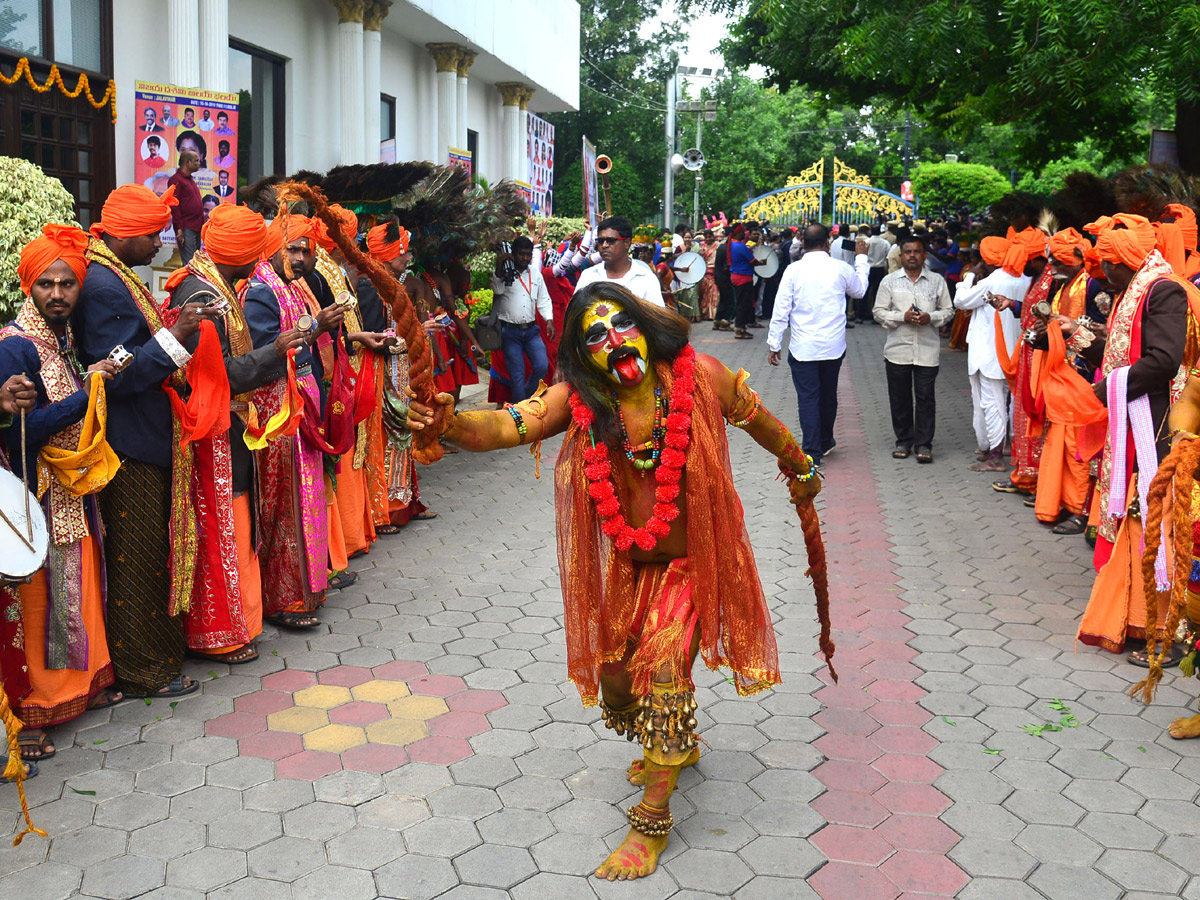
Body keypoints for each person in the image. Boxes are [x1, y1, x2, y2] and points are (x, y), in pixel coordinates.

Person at [407, 281, 821, 881]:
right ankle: (673, 737)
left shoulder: (699, 375)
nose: (614, 340)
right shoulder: (580, 399)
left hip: (690, 561)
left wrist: (801, 466)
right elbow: (505, 427)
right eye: (595, 335)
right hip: (630, 568)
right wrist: (450, 423)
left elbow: (763, 422)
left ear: (645, 327)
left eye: (622, 324)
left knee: (663, 670)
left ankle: (651, 821)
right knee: (618, 684)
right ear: (584, 352)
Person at [77, 184, 212, 698]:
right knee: (138, 559)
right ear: (126, 233)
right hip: (129, 446)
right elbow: (122, 373)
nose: (161, 242)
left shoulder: (115, 274)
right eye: (153, 233)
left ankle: (153, 659)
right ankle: (142, 670)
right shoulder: (105, 287)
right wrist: (178, 335)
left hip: (143, 437)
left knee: (150, 553)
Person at [0, 225, 122, 763]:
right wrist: (90, 386)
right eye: (46, 283)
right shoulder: (15, 349)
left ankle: (79, 688)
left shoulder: (61, 337)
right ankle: (30, 711)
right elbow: (19, 432)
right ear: (29, 286)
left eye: (67, 283)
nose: (57, 293)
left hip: (70, 486)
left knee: (77, 588)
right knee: (37, 601)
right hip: (33, 495)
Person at [164, 205, 304, 663]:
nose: (262, 257)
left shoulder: (216, 283)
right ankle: (218, 634)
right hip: (211, 432)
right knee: (222, 526)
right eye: (257, 249)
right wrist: (274, 352)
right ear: (242, 253)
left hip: (229, 426)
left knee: (238, 523)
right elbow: (214, 374)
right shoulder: (200, 292)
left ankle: (239, 622)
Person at [1073, 214, 1197, 655]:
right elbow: (1135, 347)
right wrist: (1096, 344)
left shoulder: (1163, 289)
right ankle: (1136, 619)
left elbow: (1163, 360)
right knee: (1134, 516)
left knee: (1156, 520)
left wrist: (1109, 386)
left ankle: (1168, 630)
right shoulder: (1137, 286)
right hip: (1137, 419)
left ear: (1127, 259)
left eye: (1108, 264)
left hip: (1159, 426)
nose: (1104, 274)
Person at [243, 215, 346, 628]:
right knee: (286, 506)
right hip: (280, 415)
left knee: (307, 500)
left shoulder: (289, 286)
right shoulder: (262, 292)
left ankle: (308, 587)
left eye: (307, 250)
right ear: (273, 246)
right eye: (293, 249)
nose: (301, 258)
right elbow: (267, 353)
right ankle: (284, 600)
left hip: (303, 404)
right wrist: (318, 326)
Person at [768, 223, 869, 469]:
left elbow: (781, 307)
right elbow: (860, 292)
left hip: (803, 347)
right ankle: (824, 440)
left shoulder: (793, 270)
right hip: (833, 346)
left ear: (804, 243)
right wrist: (862, 259)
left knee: (808, 398)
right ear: (827, 243)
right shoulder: (841, 268)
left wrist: (774, 342)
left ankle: (812, 450)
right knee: (827, 394)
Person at [365, 220, 433, 529]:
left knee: (403, 433)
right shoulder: (372, 287)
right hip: (385, 371)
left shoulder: (388, 281)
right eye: (403, 252)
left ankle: (404, 502)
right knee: (393, 433)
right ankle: (388, 509)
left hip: (400, 368)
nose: (408, 259)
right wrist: (418, 333)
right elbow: (378, 337)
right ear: (391, 254)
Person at [1029, 228, 1093, 533]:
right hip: (1060, 377)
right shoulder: (1063, 285)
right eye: (1050, 259)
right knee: (1060, 444)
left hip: (1080, 379)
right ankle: (1058, 503)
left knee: (1077, 448)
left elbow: (1098, 331)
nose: (1051, 266)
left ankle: (1080, 509)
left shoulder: (1091, 286)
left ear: (1077, 259)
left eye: (1058, 259)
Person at [952, 232, 1033, 472]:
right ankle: (1004, 446)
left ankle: (995, 456)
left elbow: (961, 300)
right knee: (1010, 403)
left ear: (987, 259)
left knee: (991, 403)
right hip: (1015, 350)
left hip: (990, 353)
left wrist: (967, 278)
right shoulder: (1026, 279)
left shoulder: (993, 280)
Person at [873, 235, 954, 463]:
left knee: (925, 397)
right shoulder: (889, 281)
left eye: (917, 252)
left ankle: (924, 444)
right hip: (897, 350)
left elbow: (949, 310)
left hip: (927, 350)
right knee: (900, 398)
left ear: (924, 255)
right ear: (901, 255)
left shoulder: (937, 281)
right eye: (907, 252)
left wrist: (931, 317)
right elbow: (878, 311)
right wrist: (902, 317)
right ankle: (903, 440)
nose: (912, 256)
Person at [492, 235, 555, 402]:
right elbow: (497, 291)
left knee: (542, 366)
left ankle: (523, 399)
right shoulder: (504, 272)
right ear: (513, 254)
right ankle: (521, 411)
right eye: (521, 254)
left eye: (528, 254)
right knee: (517, 375)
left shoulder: (535, 274)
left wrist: (549, 320)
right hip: (510, 332)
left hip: (532, 331)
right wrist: (500, 264)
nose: (525, 258)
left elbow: (543, 299)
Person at [574, 216, 664, 306]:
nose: (604, 245)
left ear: (627, 243)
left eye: (611, 241)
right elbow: (575, 313)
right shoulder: (588, 276)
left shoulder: (646, 278)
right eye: (601, 241)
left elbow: (657, 318)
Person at [728, 223, 768, 338]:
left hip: (735, 276)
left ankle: (740, 327)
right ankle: (740, 329)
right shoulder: (741, 246)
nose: (744, 234)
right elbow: (753, 261)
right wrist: (762, 263)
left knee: (740, 303)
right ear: (739, 233)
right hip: (744, 278)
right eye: (743, 232)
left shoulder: (731, 244)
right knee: (744, 304)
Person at [167, 149, 204, 264]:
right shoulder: (176, 180)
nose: (199, 163)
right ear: (187, 162)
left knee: (196, 262)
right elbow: (175, 206)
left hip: (196, 226)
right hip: (186, 227)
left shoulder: (189, 179)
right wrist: (179, 229)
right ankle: (189, 282)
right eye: (196, 161)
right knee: (190, 263)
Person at [862, 224, 890, 321]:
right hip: (879, 269)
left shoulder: (866, 242)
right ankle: (876, 316)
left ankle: (862, 314)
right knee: (877, 293)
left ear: (870, 231)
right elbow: (887, 257)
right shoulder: (885, 243)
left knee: (865, 291)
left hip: (868, 268)